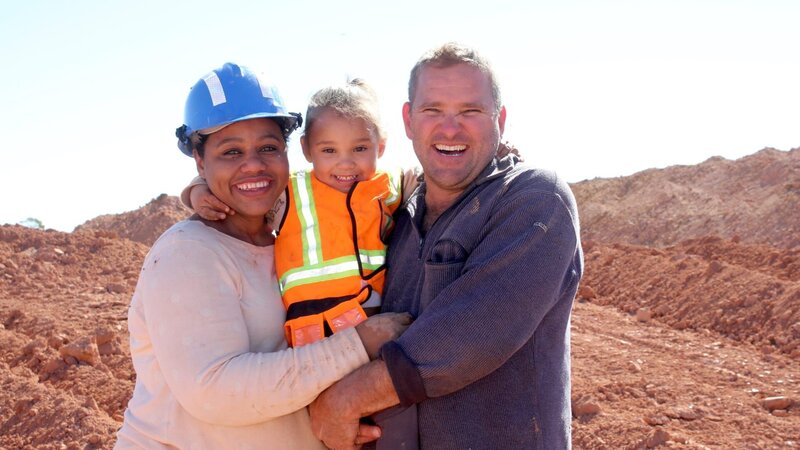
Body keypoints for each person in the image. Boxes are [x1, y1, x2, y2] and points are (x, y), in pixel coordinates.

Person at [115, 62, 410, 449]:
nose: (253, 164)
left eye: (268, 148)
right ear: (200, 161)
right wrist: (359, 343)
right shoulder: (187, 254)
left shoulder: (291, 239)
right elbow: (217, 391)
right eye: (231, 151)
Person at [307, 43, 584, 449]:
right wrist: (201, 190)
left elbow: (471, 333)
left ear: (500, 120)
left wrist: (341, 402)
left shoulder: (534, 199)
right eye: (432, 110)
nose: (449, 129)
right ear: (408, 120)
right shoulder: (399, 213)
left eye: (470, 111)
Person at [184, 79, 421, 348]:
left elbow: (429, 180)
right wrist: (196, 190)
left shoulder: (387, 185)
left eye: (360, 148)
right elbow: (234, 193)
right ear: (307, 149)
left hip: (373, 318)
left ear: (380, 147)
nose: (345, 162)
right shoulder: (290, 192)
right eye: (329, 150)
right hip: (313, 331)